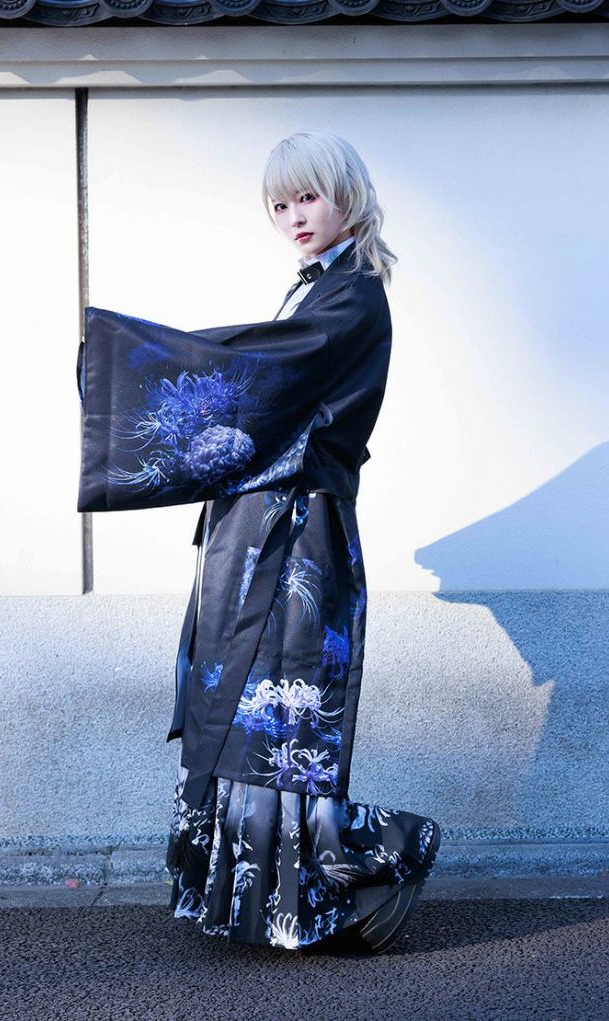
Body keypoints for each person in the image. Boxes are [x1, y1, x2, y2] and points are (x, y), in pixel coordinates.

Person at [76, 130, 441, 954]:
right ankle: (268, 901)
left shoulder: (351, 297)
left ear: (348, 193)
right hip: (263, 527)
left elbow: (257, 375)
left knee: (277, 716)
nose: (294, 216)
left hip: (296, 532)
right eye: (280, 204)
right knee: (241, 707)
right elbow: (259, 379)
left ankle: (381, 856)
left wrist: (127, 363)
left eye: (308, 196)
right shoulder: (321, 290)